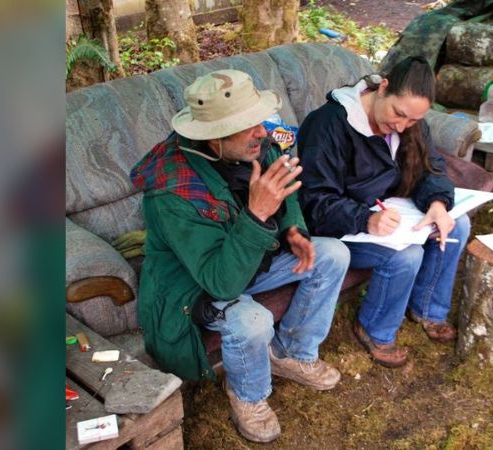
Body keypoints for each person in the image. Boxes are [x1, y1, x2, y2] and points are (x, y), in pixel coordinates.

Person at [129, 70, 349, 443]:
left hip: (252, 256)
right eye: (247, 127)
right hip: (195, 285)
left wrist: (294, 229)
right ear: (214, 139)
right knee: (252, 320)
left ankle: (291, 352)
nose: (262, 132)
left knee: (333, 254)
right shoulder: (173, 192)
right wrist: (257, 215)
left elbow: (287, 191)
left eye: (259, 121)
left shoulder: (257, 144)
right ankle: (248, 397)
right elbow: (221, 282)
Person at [296, 56, 470, 368]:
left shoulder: (409, 121)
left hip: (389, 211)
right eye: (398, 115)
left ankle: (428, 308)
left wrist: (437, 204)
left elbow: (432, 167)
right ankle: (376, 328)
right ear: (383, 87)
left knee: (457, 224)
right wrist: (365, 218)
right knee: (406, 255)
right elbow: (314, 201)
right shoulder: (329, 125)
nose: (402, 127)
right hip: (339, 227)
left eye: (412, 122)